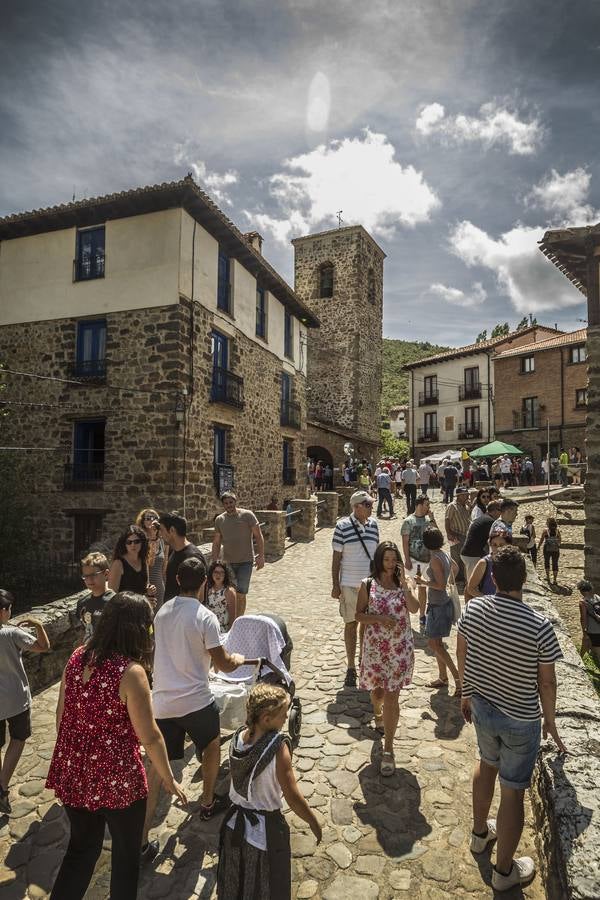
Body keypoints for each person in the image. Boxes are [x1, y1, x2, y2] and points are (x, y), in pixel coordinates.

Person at [46, 592, 186, 900]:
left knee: (80, 852)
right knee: (125, 858)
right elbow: (150, 737)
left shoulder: (77, 656)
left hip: (77, 774)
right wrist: (168, 778)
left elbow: (61, 717)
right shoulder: (130, 673)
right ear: (139, 629)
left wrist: (76, 758)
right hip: (118, 780)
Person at [457, 545, 565, 892]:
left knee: (486, 764)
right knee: (514, 792)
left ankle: (479, 835)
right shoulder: (539, 626)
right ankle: (504, 872)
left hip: (483, 708)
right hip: (521, 717)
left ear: (492, 577)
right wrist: (550, 721)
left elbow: (463, 650)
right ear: (524, 580)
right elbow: (546, 682)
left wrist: (465, 691)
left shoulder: (474, 609)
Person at [142, 558, 247, 858]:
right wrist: (237, 659)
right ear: (203, 581)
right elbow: (223, 664)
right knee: (212, 746)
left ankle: (142, 836)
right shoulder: (205, 617)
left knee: (154, 769)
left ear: (176, 579)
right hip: (196, 701)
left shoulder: (161, 612)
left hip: (162, 702)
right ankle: (207, 802)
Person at [217, 683, 321, 899]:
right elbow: (291, 795)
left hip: (233, 825)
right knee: (267, 886)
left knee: (236, 882)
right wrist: (312, 820)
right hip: (263, 832)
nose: (286, 719)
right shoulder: (278, 747)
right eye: (283, 714)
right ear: (266, 718)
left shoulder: (238, 738)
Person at [356, 542, 420, 775]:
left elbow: (414, 609)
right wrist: (380, 619)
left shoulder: (406, 582)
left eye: (394, 560)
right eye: (387, 559)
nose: (391, 564)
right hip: (375, 650)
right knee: (378, 693)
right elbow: (358, 615)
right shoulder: (368, 584)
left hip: (399, 650)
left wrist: (405, 586)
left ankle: (389, 749)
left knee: (393, 696)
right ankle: (377, 713)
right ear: (379, 560)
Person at [0, 591, 50, 814]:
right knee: (18, 739)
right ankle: (2, 786)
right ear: (4, 611)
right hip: (16, 698)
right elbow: (42, 646)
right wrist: (37, 624)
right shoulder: (12, 634)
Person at [331, 490, 379, 688]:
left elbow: (376, 555)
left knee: (367, 626)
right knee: (351, 624)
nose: (371, 507)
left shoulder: (374, 525)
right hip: (350, 584)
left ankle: (363, 661)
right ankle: (351, 666)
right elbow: (336, 559)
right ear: (356, 506)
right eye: (367, 504)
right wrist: (335, 585)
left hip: (370, 585)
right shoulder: (342, 526)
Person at [415, 527, 461, 694]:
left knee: (434, 643)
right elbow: (455, 569)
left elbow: (440, 586)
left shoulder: (435, 559)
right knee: (438, 643)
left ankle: (458, 679)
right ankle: (443, 677)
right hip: (444, 603)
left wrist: (423, 582)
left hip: (438, 605)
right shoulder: (444, 554)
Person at [212, 492, 265, 617]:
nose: (229, 505)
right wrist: (214, 561)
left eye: (231, 502)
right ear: (223, 504)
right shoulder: (220, 520)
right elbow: (216, 542)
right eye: (226, 503)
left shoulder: (248, 515)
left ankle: (239, 620)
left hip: (245, 562)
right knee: (229, 592)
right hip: (228, 563)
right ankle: (230, 618)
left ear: (235, 501)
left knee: (241, 593)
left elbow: (258, 536)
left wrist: (261, 556)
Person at [400, 494, 436, 630]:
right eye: (427, 504)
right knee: (410, 588)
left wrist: (432, 519)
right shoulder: (408, 521)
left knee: (423, 588)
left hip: (427, 560)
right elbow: (405, 542)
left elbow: (436, 534)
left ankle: (422, 615)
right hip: (414, 559)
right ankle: (406, 614)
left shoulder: (428, 520)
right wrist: (407, 559)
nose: (428, 507)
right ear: (420, 505)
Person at [159, 511, 207, 603]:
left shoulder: (193, 557)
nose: (160, 534)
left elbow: (199, 597)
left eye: (162, 530)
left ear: (172, 530)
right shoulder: (174, 551)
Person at [108, 525, 156, 603]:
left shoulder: (143, 560)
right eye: (129, 542)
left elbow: (146, 586)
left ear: (142, 542)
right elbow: (112, 596)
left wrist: (150, 590)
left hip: (141, 609)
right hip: (124, 610)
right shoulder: (118, 563)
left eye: (136, 541)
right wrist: (142, 600)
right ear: (124, 544)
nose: (133, 545)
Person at [460, 500, 502, 584]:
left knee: (471, 581)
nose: (500, 513)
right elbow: (493, 539)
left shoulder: (484, 518)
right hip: (472, 555)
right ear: (494, 510)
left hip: (470, 553)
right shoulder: (489, 521)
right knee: (472, 584)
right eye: (500, 510)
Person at [465, 529, 511, 603]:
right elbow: (470, 588)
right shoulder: (484, 563)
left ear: (508, 545)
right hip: (487, 607)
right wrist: (487, 600)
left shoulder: (511, 562)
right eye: (494, 545)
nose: (498, 548)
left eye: (501, 545)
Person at [77, 552, 114, 640]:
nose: (89, 579)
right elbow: (83, 631)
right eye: (85, 576)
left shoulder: (115, 601)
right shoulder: (82, 602)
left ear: (106, 574)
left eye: (93, 575)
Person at [136, 508, 167, 606]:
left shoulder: (163, 542)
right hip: (144, 587)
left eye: (155, 518)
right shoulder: (139, 541)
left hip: (159, 587)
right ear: (142, 521)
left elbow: (164, 567)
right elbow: (150, 563)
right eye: (148, 518)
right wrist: (153, 536)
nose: (152, 520)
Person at [445, 486, 471, 586]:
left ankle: (462, 578)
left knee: (464, 557)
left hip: (465, 534)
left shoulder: (466, 506)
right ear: (459, 496)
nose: (467, 496)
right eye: (464, 495)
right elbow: (447, 520)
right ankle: (455, 579)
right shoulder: (452, 506)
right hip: (456, 534)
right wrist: (449, 534)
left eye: (467, 494)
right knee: (456, 557)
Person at [204, 560, 237, 632]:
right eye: (216, 572)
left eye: (222, 572)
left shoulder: (229, 592)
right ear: (211, 573)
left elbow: (232, 617)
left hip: (222, 629)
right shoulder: (207, 588)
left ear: (225, 575)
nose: (218, 575)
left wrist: (229, 633)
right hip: (208, 627)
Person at [577, 580, 600, 665]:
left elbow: (583, 618)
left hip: (592, 631)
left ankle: (579, 661)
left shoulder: (583, 602)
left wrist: (584, 631)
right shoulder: (597, 597)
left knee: (597, 651)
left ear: (581, 591)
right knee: (585, 643)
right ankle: (579, 660)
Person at [538, 517, 561, 585]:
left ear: (548, 523)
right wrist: (557, 545)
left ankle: (548, 577)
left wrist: (539, 546)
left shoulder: (545, 530)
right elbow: (560, 540)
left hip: (547, 548)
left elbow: (542, 539)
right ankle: (554, 580)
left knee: (547, 562)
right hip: (555, 549)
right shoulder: (557, 531)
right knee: (555, 563)